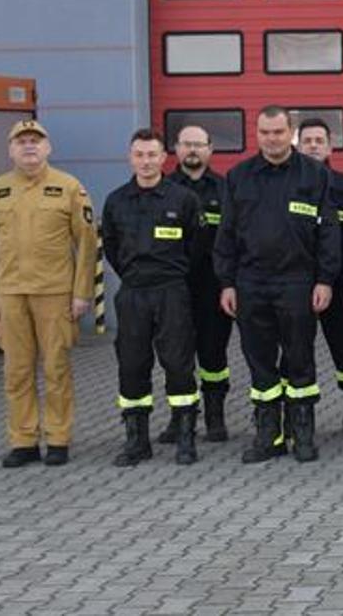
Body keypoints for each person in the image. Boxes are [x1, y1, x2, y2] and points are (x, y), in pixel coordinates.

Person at [214, 106, 339, 463]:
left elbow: (329, 231)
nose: (272, 139)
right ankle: (269, 435)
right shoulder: (239, 176)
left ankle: (303, 433)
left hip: (298, 281)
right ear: (257, 134)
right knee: (260, 361)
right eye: (265, 132)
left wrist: (325, 280)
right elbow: (226, 233)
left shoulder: (315, 174)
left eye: (278, 132)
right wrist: (227, 283)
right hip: (251, 282)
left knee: (300, 358)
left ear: (291, 132)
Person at [0, 120, 99, 468]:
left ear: (48, 148)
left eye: (35, 140)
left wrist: (82, 293)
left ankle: (58, 438)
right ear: (11, 150)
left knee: (56, 369)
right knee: (16, 371)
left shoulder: (69, 188)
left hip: (55, 293)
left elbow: (87, 244)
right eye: (22, 141)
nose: (29, 146)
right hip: (11, 294)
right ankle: (24, 441)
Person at [100, 128, 206, 466]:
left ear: (163, 158)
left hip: (171, 291)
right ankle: (137, 441)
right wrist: (134, 276)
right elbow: (112, 247)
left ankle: (185, 437)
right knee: (132, 365)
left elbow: (197, 248)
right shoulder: (116, 201)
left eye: (151, 155)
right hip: (133, 293)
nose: (145, 161)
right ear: (130, 158)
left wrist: (172, 276)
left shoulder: (183, 199)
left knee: (178, 364)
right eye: (139, 155)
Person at [297, 118, 343, 437]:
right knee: (296, 350)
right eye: (308, 140)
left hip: (337, 282)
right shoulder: (289, 185)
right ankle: (300, 414)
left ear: (330, 147)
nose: (313, 145)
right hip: (297, 281)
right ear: (298, 146)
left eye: (319, 140)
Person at [166, 124, 234, 442]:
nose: (192, 150)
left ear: (210, 149)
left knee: (213, 354)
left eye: (198, 144)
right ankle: (179, 418)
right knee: (176, 356)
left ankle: (215, 417)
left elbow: (235, 238)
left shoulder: (225, 189)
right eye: (186, 144)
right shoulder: (163, 188)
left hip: (213, 287)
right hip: (174, 287)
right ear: (176, 149)